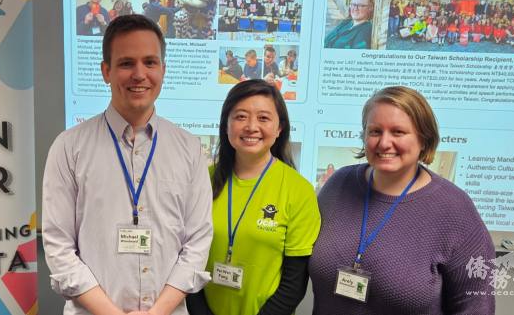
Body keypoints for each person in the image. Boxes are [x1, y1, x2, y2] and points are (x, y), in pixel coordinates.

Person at [42, 15, 214, 315]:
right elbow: (58, 246)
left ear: (163, 69)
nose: (139, 74)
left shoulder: (189, 148)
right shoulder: (69, 147)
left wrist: (158, 311)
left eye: (150, 62)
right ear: (105, 71)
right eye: (126, 63)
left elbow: (197, 243)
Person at [307, 86, 495, 315]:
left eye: (398, 132)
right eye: (375, 131)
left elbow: (475, 308)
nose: (384, 143)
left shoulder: (455, 210)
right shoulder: (338, 184)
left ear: (424, 139)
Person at [187, 79, 321, 315]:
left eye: (263, 118)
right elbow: (187, 257)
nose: (251, 126)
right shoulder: (201, 181)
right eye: (240, 117)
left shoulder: (298, 190)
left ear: (279, 128)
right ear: (225, 125)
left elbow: (294, 282)